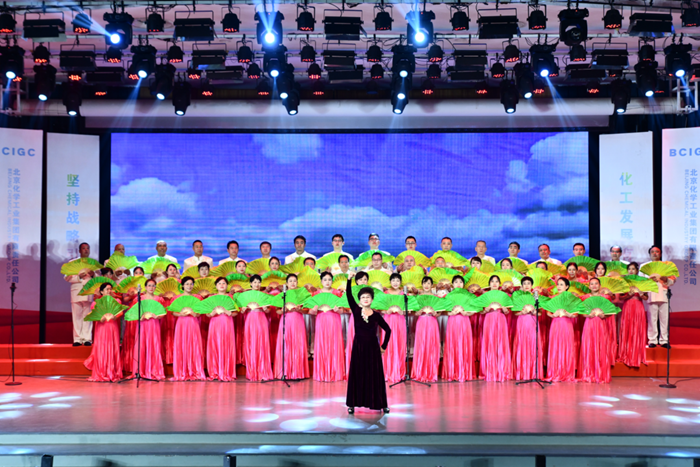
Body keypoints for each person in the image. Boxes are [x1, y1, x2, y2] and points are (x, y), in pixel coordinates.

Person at [345, 276, 391, 414]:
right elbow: (348, 295)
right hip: (358, 348)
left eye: (368, 297)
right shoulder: (356, 310)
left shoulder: (376, 315)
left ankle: (381, 404)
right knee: (357, 375)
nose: (365, 299)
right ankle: (352, 404)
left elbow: (388, 330)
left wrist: (383, 346)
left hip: (373, 349)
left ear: (372, 299)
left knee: (375, 376)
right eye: (363, 297)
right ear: (359, 299)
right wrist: (349, 280)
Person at [309, 272, 345, 382]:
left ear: (332, 281)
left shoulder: (338, 293)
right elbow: (310, 312)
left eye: (329, 279)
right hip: (321, 320)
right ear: (321, 281)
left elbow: (343, 310)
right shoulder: (315, 294)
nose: (327, 282)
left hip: (334, 319)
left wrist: (338, 310)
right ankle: (321, 373)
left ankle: (335, 372)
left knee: (334, 344)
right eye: (325, 279)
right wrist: (314, 310)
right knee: (322, 343)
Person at [84, 283, 123, 382]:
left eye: (110, 289)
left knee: (112, 347)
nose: (109, 291)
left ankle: (112, 372)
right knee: (101, 348)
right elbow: (93, 315)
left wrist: (116, 316)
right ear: (101, 292)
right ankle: (101, 371)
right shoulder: (96, 303)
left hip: (112, 327)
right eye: (107, 289)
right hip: (101, 327)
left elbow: (120, 312)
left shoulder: (116, 301)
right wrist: (99, 318)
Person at [274, 274, 310, 380]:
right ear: (286, 283)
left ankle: (298, 372)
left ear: (297, 282)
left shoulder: (301, 294)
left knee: (298, 343)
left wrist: (300, 310)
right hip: (286, 320)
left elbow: (306, 311)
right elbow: (277, 311)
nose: (293, 283)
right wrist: (283, 309)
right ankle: (285, 371)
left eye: (295, 281)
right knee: (286, 343)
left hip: (298, 320)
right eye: (290, 281)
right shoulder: (282, 295)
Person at [171, 276, 206, 381]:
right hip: (181, 323)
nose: (189, 286)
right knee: (181, 345)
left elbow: (200, 312)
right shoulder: (177, 298)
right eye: (187, 284)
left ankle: (195, 370)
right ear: (182, 285)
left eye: (191, 284)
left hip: (193, 322)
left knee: (194, 344)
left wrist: (196, 314)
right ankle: (181, 371)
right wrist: (180, 314)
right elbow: (173, 312)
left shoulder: (198, 298)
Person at [641, 245, 676, 349]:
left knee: (664, 319)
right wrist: (648, 281)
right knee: (652, 319)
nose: (655, 253)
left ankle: (664, 340)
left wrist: (665, 279)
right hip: (651, 295)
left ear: (660, 254)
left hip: (663, 295)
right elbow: (640, 282)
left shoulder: (666, 265)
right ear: (649, 254)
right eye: (653, 252)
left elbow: (672, 281)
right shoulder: (644, 266)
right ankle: (652, 340)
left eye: (657, 252)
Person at [239, 275, 273, 381]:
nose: (257, 284)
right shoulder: (245, 296)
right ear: (250, 284)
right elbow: (240, 311)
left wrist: (265, 309)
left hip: (261, 319)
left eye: (258, 282)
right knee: (251, 343)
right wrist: (243, 309)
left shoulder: (264, 296)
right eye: (254, 282)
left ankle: (263, 370)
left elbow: (269, 311)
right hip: (250, 319)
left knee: (262, 343)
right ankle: (252, 371)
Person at [131, 278, 166, 381]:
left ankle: (154, 370)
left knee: (154, 345)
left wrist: (157, 316)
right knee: (141, 345)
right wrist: (139, 317)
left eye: (153, 285)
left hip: (154, 324)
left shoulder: (159, 299)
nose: (151, 287)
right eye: (149, 285)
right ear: (145, 287)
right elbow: (133, 312)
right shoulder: (139, 298)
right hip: (142, 324)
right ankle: (140, 370)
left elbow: (163, 312)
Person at [442, 275, 474, 382]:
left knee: (464, 344)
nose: (458, 283)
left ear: (463, 284)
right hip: (453, 322)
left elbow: (474, 309)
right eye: (456, 282)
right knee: (453, 344)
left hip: (465, 321)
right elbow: (444, 310)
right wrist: (450, 313)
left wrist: (466, 313)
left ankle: (464, 372)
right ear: (453, 284)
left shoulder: (468, 296)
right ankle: (452, 372)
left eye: (460, 282)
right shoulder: (449, 296)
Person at [479, 275, 512, 381]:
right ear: (489, 283)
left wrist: (505, 310)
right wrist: (485, 310)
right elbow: (480, 311)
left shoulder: (504, 296)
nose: (494, 283)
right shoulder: (485, 295)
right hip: (489, 319)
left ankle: (502, 370)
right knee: (489, 342)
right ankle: (489, 370)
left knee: (501, 343)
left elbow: (508, 312)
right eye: (492, 281)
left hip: (500, 319)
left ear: (499, 284)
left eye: (496, 281)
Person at [545, 278, 577, 383]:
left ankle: (566, 373)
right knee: (555, 346)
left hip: (567, 324)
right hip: (555, 324)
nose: (559, 286)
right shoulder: (553, 298)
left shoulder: (571, 298)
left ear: (567, 287)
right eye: (558, 284)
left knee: (566, 347)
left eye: (561, 284)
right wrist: (552, 315)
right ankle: (554, 372)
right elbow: (548, 311)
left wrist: (569, 314)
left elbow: (576, 313)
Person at [64, 242, 95, 346]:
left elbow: (99, 276)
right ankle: (77, 339)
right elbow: (66, 277)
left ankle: (87, 338)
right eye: (84, 248)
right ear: (79, 251)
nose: (86, 250)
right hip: (76, 292)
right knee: (76, 316)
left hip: (88, 291)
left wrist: (93, 274)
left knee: (87, 316)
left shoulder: (93, 263)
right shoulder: (73, 262)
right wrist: (79, 277)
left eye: (87, 248)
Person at [617, 262, 648, 367]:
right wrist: (628, 295)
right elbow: (621, 297)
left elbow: (646, 298)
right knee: (627, 328)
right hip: (628, 307)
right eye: (629, 269)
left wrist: (641, 294)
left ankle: (636, 353)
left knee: (637, 329)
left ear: (637, 271)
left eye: (633, 269)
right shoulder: (624, 282)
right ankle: (625, 353)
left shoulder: (642, 281)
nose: (631, 271)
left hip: (638, 307)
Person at [511, 277, 543, 381]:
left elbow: (540, 313)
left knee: (533, 345)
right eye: (524, 283)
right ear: (522, 286)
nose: (526, 285)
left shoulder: (536, 297)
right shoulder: (518, 297)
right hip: (522, 322)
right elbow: (515, 313)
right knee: (522, 344)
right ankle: (522, 372)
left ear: (532, 285)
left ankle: (533, 373)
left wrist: (534, 311)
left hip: (533, 322)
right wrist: (522, 312)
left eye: (529, 283)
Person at [412, 277, 440, 383]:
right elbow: (413, 312)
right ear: (422, 285)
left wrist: (435, 313)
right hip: (421, 321)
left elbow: (440, 312)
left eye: (429, 283)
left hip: (432, 322)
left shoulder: (436, 298)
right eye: (424, 283)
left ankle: (431, 372)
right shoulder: (418, 298)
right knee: (421, 345)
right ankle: (419, 372)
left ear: (432, 285)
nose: (426, 285)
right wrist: (418, 312)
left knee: (432, 345)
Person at [381, 273, 407, 384]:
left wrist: (403, 312)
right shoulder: (385, 294)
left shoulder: (404, 294)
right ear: (390, 282)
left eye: (397, 280)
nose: (395, 282)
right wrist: (386, 311)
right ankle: (387, 372)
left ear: (400, 282)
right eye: (393, 280)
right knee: (388, 344)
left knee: (400, 344)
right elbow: (379, 308)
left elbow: (410, 310)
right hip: (388, 320)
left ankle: (399, 372)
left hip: (400, 320)